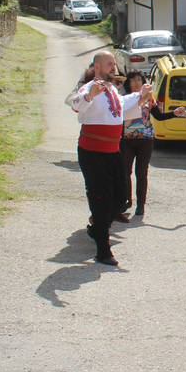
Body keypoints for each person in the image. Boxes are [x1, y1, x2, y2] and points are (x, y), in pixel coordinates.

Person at [71, 51, 151, 266]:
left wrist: (141, 95)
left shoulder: (113, 90)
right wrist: (90, 95)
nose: (113, 68)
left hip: (113, 150)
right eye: (108, 65)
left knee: (121, 198)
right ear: (97, 67)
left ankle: (97, 228)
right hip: (93, 151)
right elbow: (76, 103)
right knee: (102, 198)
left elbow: (122, 107)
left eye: (114, 64)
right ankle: (103, 251)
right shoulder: (90, 87)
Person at [120, 69, 186, 218]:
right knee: (125, 172)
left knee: (141, 172)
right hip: (127, 140)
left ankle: (140, 205)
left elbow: (158, 116)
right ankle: (126, 201)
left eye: (139, 80)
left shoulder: (150, 99)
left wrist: (174, 114)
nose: (137, 82)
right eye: (133, 80)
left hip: (145, 140)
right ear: (129, 83)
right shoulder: (124, 98)